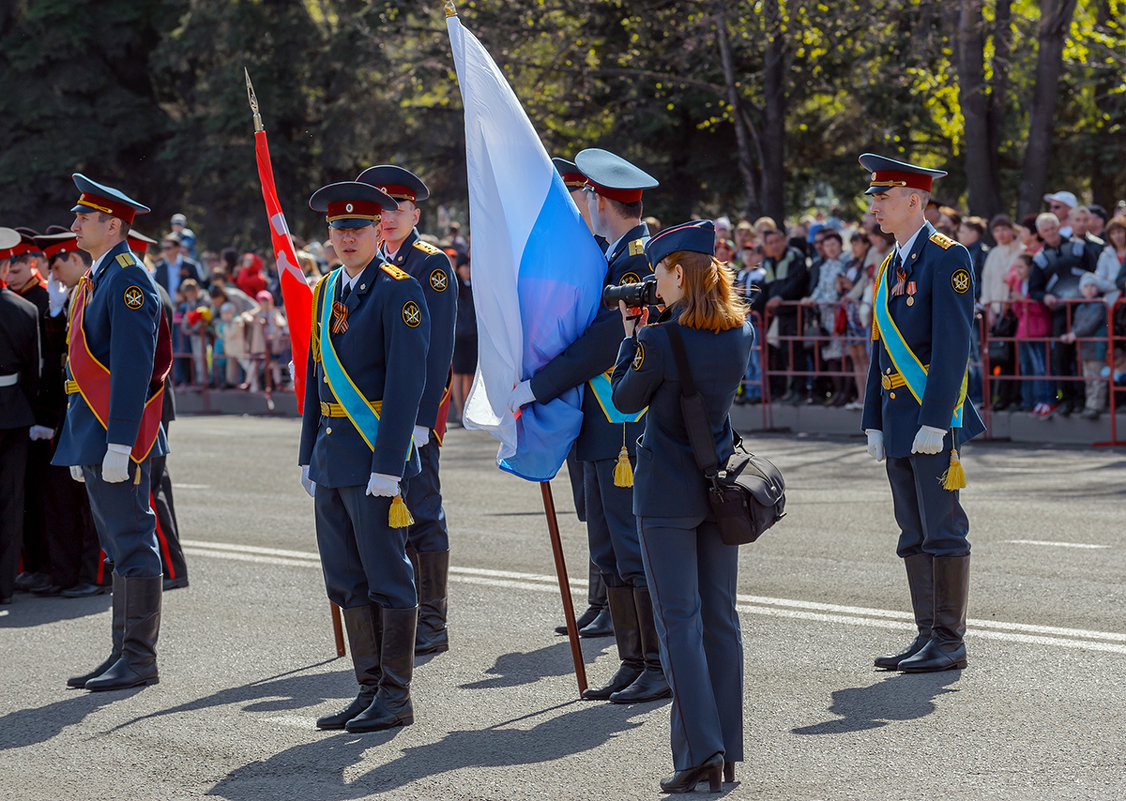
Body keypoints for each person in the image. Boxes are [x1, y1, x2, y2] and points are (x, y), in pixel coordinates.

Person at [509, 147, 670, 704]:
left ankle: (657, 663)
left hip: (624, 425)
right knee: (607, 548)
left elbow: (605, 344)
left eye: (584, 196)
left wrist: (539, 384)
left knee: (631, 547)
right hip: (601, 426)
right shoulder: (611, 255)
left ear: (598, 199)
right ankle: (632, 660)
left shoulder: (638, 260)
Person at [610, 220, 753, 792]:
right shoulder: (739, 331)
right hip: (719, 487)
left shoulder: (659, 340)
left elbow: (623, 400)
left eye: (658, 273)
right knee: (721, 621)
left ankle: (698, 754)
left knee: (679, 625)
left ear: (677, 272)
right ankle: (728, 750)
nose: (652, 283)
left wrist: (631, 334)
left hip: (666, 495)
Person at [299, 181, 429, 733]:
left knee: (387, 576)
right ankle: (368, 686)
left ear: (379, 230)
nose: (348, 238)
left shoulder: (399, 291)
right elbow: (315, 377)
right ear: (328, 236)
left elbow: (406, 384)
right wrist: (307, 452)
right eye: (339, 229)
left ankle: (396, 696)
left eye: (358, 228)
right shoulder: (326, 289)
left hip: (376, 458)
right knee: (347, 578)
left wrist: (389, 466)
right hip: (332, 456)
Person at [858, 154, 985, 674]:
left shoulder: (946, 256)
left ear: (915, 200)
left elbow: (955, 346)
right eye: (873, 198)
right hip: (895, 414)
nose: (875, 208)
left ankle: (949, 640)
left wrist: (936, 418)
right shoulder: (893, 263)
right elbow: (881, 346)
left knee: (942, 528)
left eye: (883, 198)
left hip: (932, 418)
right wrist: (871, 416)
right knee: (911, 530)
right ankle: (926, 634)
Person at [53, 174, 172, 691]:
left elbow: (132, 368)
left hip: (119, 436)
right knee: (118, 545)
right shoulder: (98, 277)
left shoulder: (129, 280)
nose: (75, 224)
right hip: (95, 431)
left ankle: (139, 659)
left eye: (85, 217)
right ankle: (122, 652)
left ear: (114, 225)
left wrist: (121, 443)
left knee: (133, 542)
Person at [357, 164, 458, 656]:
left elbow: (437, 350)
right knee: (383, 516)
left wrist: (424, 417)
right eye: (381, 209)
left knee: (422, 511)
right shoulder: (367, 267)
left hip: (415, 415)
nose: (389, 217)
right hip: (371, 414)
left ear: (415, 211)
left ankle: (432, 623)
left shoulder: (430, 263)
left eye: (398, 208)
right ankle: (401, 614)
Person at [34, 230, 106, 597]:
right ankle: (66, 574)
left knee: (92, 502)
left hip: (93, 408)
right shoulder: (72, 296)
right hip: (70, 409)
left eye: (57, 264)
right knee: (63, 496)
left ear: (74, 260)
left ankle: (92, 576)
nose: (53, 275)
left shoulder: (93, 291)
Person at [0, 227, 42, 605]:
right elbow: (34, 372)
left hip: (14, 410)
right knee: (9, 501)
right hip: (13, 412)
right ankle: (3, 585)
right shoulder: (25, 309)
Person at [1059, 273, 1108, 420]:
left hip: (1097, 346)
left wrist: (1074, 334)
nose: (1090, 289)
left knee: (1097, 378)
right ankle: (1090, 404)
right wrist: (1071, 334)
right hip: (1084, 348)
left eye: (1093, 286)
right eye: (1086, 286)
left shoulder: (1100, 305)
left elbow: (1090, 325)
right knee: (1088, 377)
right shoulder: (1080, 308)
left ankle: (1096, 405)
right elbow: (1078, 325)